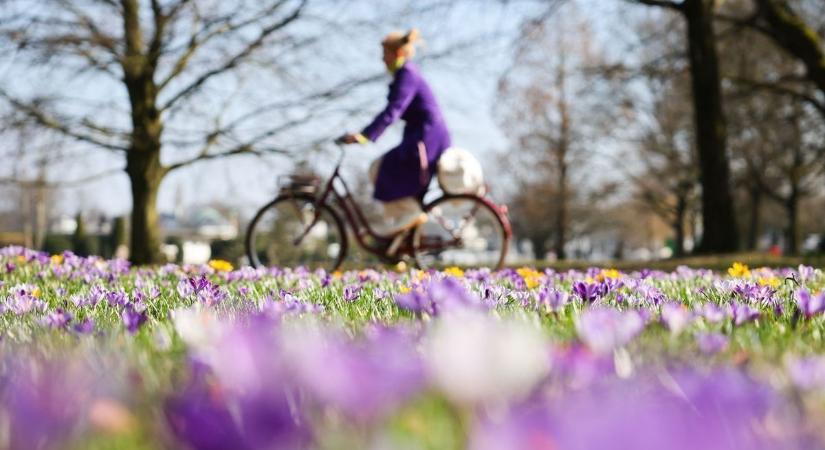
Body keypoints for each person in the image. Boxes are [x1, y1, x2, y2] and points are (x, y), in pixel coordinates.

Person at [340, 28, 451, 237]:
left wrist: (365, 135)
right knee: (400, 183)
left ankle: (410, 214)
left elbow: (393, 110)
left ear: (397, 53)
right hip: (422, 136)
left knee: (379, 169)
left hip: (427, 137)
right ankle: (404, 239)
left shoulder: (407, 74)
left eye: (385, 54)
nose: (382, 60)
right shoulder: (406, 73)